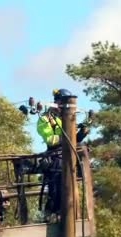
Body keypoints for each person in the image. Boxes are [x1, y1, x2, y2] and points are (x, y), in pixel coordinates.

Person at [36, 88, 91, 222]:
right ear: (57, 102)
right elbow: (50, 139)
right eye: (62, 103)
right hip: (55, 157)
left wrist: (81, 133)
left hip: (68, 157)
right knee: (55, 190)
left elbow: (73, 141)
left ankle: (67, 214)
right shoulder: (46, 119)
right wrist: (68, 137)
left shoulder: (68, 118)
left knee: (69, 189)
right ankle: (49, 214)